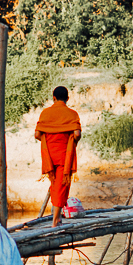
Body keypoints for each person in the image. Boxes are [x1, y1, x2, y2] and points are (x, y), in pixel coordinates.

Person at [34, 86, 81, 226]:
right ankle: (56, 220)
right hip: (64, 155)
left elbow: (37, 134)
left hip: (48, 155)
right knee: (61, 186)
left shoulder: (45, 113)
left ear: (53, 98)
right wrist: (74, 141)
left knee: (55, 185)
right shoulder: (72, 114)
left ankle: (57, 217)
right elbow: (77, 134)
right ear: (67, 98)